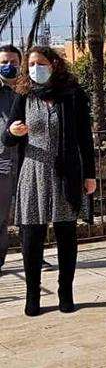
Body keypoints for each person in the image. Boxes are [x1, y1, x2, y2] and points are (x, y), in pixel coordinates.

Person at [1, 46, 95, 316]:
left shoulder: (73, 95)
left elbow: (84, 139)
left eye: (39, 63)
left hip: (66, 170)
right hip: (33, 171)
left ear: (53, 64)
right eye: (30, 64)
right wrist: (13, 131)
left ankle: (66, 292)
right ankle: (33, 296)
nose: (34, 69)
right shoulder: (24, 95)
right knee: (31, 235)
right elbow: (8, 138)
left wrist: (90, 174)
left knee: (66, 234)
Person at [0, 45, 21, 276]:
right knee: (0, 216)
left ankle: (32, 255)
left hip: (23, 161)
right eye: (4, 61)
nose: (8, 66)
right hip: (1, 161)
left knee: (28, 213)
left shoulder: (24, 92)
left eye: (13, 62)